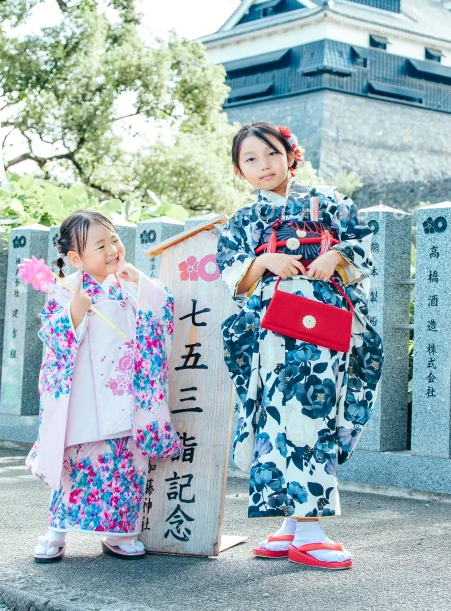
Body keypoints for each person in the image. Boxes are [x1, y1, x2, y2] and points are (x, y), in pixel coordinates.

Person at [217, 121, 384, 570]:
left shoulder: (330, 202)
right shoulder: (243, 222)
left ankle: (303, 526)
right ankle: (298, 528)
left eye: (271, 153)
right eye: (250, 159)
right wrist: (262, 261)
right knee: (276, 417)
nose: (263, 165)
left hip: (321, 332)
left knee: (312, 415)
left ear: (291, 154)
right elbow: (233, 273)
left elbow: (363, 243)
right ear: (239, 171)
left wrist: (337, 255)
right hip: (269, 336)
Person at [27, 210, 180, 563]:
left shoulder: (130, 283)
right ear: (75, 258)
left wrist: (140, 282)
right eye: (100, 245)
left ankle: (120, 533)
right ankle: (56, 530)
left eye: (114, 239)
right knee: (75, 469)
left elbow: (163, 311)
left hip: (127, 397)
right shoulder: (64, 291)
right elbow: (52, 338)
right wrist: (75, 312)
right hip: (85, 400)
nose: (113, 249)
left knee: (126, 467)